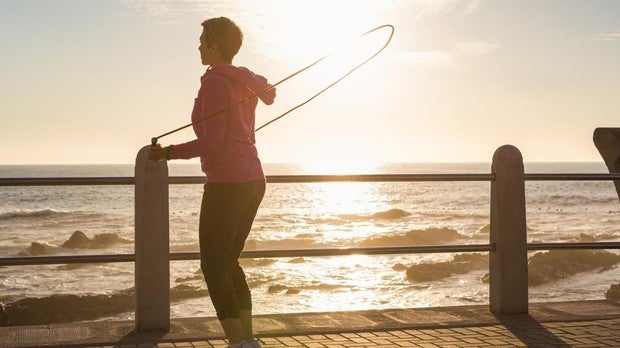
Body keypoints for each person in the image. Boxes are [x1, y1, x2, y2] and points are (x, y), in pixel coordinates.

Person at [150, 17, 275, 348]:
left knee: (212, 265)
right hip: (253, 179)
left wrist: (168, 152)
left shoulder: (216, 83)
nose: (199, 45)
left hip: (228, 183)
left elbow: (212, 142)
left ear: (216, 46)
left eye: (204, 40)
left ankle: (238, 343)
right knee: (228, 262)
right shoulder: (243, 82)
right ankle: (248, 341)